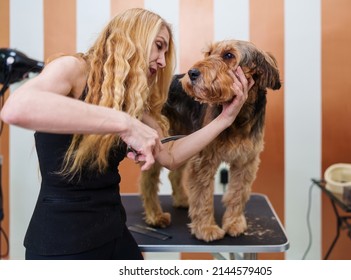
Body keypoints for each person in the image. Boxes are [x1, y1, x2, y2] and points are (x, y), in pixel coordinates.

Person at [0, 8, 252, 260]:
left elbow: (171, 157)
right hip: (61, 243)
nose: (163, 61)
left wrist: (224, 120)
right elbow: (17, 108)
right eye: (158, 46)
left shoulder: (129, 99)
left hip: (115, 236)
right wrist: (125, 124)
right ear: (134, 38)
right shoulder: (72, 68)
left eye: (166, 52)